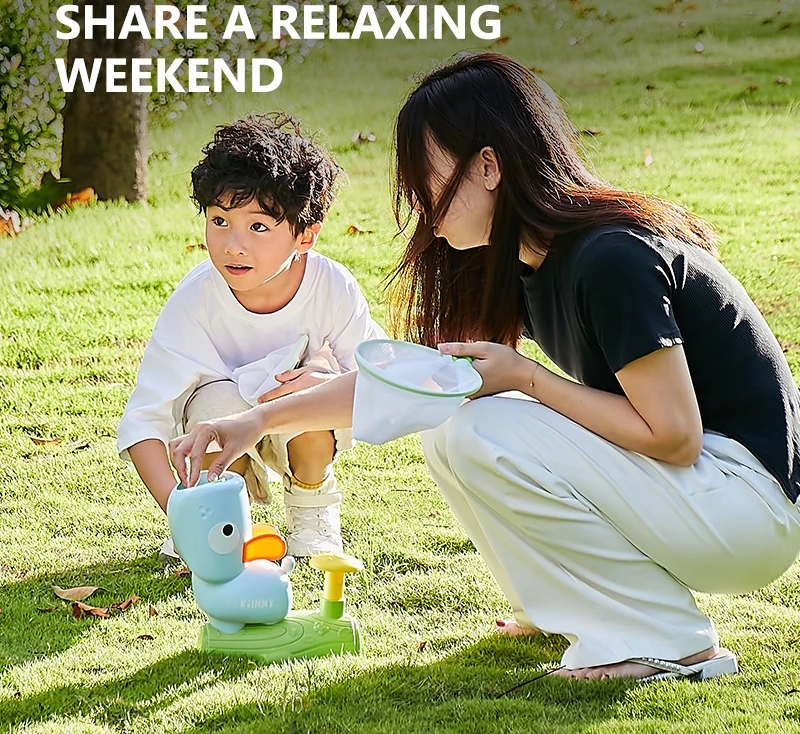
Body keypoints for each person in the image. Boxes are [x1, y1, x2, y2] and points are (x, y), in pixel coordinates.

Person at [168, 54, 800, 681]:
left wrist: (528, 380)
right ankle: (568, 608)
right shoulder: (516, 263)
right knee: (452, 427)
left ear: (489, 166)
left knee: (483, 427)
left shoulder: (611, 259)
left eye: (427, 178)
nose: (419, 203)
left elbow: (676, 437)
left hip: (749, 508)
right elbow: (410, 387)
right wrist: (256, 421)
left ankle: (664, 642)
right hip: (700, 497)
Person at [117, 113, 385, 557]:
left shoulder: (333, 288)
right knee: (214, 406)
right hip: (221, 434)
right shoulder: (195, 299)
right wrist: (180, 511)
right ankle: (221, 514)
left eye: (258, 226)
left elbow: (381, 379)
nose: (232, 245)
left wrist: (326, 378)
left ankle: (311, 506)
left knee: (309, 394)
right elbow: (145, 419)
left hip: (298, 435)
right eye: (219, 220)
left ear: (305, 236)